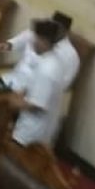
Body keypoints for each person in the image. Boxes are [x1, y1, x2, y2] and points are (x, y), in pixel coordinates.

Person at [11, 19, 65, 148]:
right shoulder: (51, 60)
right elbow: (33, 86)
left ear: (45, 42)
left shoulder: (47, 70)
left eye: (36, 39)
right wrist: (21, 93)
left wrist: (9, 102)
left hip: (30, 134)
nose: (33, 42)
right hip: (37, 129)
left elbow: (36, 105)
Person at [52, 11, 81, 90]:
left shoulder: (71, 55)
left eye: (57, 28)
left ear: (66, 31)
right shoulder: (43, 41)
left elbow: (65, 84)